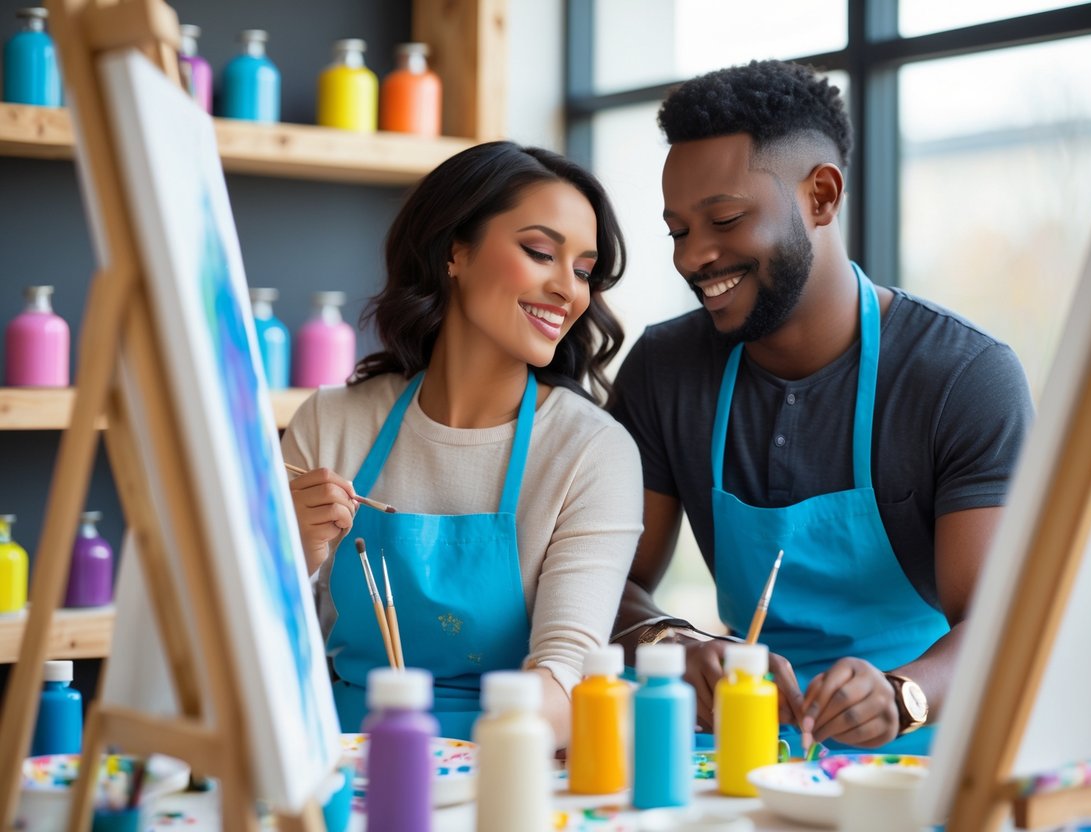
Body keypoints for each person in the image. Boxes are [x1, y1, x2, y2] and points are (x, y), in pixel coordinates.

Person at [609, 60, 1034, 755]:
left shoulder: (963, 376)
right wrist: (671, 641)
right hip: (742, 749)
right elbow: (608, 582)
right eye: (678, 231)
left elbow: (997, 623)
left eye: (724, 219)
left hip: (920, 748)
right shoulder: (664, 369)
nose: (693, 257)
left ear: (822, 196)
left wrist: (900, 695)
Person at [283, 141, 643, 745]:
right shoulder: (331, 421)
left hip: (504, 757)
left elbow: (567, 675)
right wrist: (291, 551)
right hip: (345, 757)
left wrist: (457, 759)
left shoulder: (592, 452)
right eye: (540, 253)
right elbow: (247, 642)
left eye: (583, 271)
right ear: (455, 251)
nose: (569, 290)